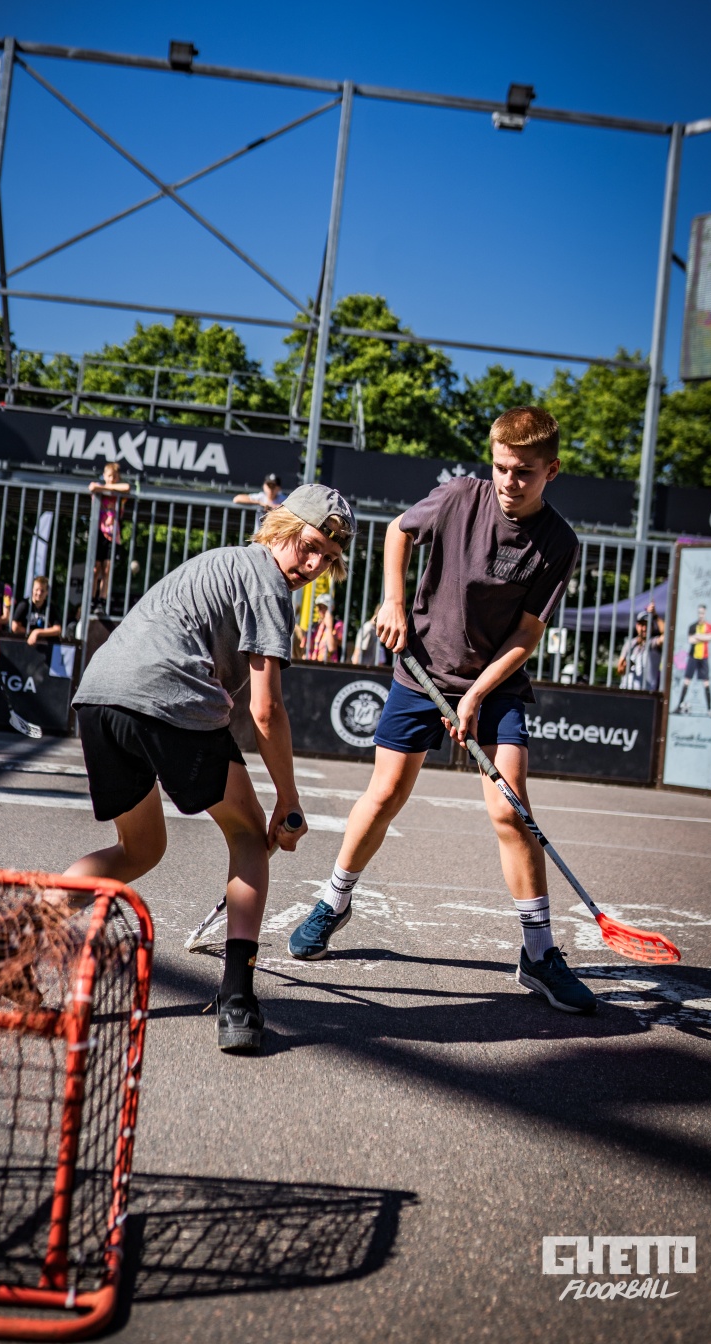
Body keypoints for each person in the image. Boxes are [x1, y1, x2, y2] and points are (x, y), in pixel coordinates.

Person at [288, 406, 597, 1015]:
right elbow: (398, 531)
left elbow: (528, 634)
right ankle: (334, 901)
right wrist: (393, 601)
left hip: (496, 683)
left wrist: (476, 694)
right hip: (422, 670)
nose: (509, 481)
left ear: (552, 470)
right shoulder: (459, 497)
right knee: (385, 795)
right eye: (502, 467)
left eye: (524, 472)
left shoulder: (560, 543)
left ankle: (538, 954)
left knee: (511, 809)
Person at [62, 482, 356, 1054]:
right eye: (308, 546)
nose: (313, 565)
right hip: (168, 695)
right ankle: (238, 998)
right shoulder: (269, 583)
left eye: (328, 558)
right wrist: (288, 800)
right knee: (247, 834)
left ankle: (14, 935)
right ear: (281, 527)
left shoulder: (219, 562)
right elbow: (266, 711)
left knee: (139, 849)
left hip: (98, 697)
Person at [88, 462, 131, 605]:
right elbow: (92, 487)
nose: (112, 479)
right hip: (98, 533)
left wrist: (107, 488)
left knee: (107, 569)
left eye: (114, 476)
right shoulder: (99, 489)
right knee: (95, 569)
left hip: (113, 535)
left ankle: (102, 599)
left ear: (118, 477)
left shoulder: (119, 494)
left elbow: (127, 488)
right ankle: (92, 598)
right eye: (109, 476)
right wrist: (106, 488)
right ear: (104, 476)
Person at [674, 603, 711, 716]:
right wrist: (703, 637)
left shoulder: (709, 626)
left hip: (704, 657)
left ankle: (709, 710)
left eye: (702, 613)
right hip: (693, 657)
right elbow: (691, 640)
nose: (701, 615)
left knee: (706, 683)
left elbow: (710, 637)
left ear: (705, 613)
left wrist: (698, 636)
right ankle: (679, 706)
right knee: (686, 681)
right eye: (699, 613)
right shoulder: (693, 626)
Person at [617, 608, 662, 691]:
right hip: (625, 690)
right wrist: (626, 667)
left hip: (646, 693)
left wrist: (656, 616)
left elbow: (668, 636)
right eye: (642, 625)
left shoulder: (654, 643)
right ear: (637, 626)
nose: (644, 628)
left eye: (647, 625)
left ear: (652, 627)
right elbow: (620, 670)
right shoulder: (629, 644)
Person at [12, 576, 63, 646]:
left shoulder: (50, 607)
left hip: (45, 646)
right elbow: (15, 627)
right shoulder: (24, 604)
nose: (39, 593)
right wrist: (31, 633)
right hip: (24, 644)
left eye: (42, 591)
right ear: (32, 590)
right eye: (37, 590)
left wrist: (37, 632)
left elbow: (57, 629)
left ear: (47, 592)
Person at [309, 594, 342, 662]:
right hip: (314, 663)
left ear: (331, 608)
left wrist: (329, 627)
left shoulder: (337, 625)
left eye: (324, 607)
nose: (320, 610)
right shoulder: (315, 626)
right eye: (319, 607)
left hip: (330, 664)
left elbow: (331, 648)